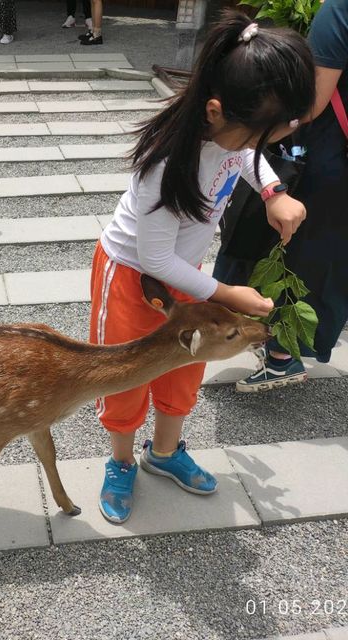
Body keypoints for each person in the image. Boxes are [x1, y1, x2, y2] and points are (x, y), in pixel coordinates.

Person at [89, 11, 315, 524]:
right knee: (124, 371)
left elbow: (249, 158)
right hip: (131, 276)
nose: (264, 147)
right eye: (262, 135)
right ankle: (121, 460)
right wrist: (227, 294)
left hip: (187, 273)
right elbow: (154, 258)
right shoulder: (167, 162)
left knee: (185, 366)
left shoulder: (234, 133)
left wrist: (274, 192)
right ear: (216, 111)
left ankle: (164, 454)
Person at [216, 0, 348, 392]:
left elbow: (309, 106)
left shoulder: (339, 11)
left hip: (325, 157)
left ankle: (280, 355)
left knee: (292, 253)